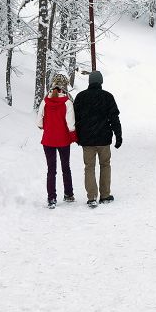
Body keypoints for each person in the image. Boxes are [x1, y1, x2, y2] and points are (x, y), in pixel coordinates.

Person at [73, 70, 122, 209]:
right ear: (101, 82)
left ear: (89, 82)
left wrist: (77, 136)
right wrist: (118, 136)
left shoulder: (81, 97)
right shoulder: (107, 97)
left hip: (87, 140)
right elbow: (114, 119)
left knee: (89, 167)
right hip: (104, 139)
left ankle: (92, 197)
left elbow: (75, 119)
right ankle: (105, 195)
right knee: (105, 165)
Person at [37, 72, 76, 209]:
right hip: (63, 140)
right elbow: (71, 125)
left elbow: (39, 121)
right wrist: (74, 137)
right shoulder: (67, 102)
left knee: (51, 170)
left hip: (48, 141)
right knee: (66, 167)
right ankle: (68, 194)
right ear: (64, 86)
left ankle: (51, 198)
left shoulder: (45, 101)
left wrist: (46, 127)